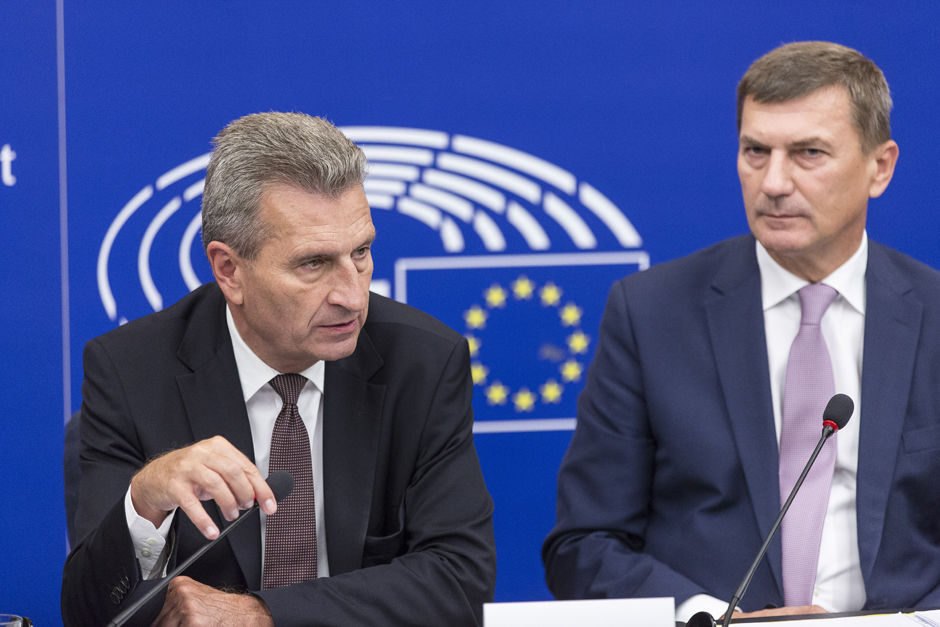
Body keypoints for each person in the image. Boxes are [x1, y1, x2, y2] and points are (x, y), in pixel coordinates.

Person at [543, 41, 940, 623]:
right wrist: (711, 617)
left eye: (808, 153)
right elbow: (584, 545)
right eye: (756, 151)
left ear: (880, 167)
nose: (774, 182)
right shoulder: (651, 312)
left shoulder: (933, 313)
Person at [61, 112, 496, 627]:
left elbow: (460, 580)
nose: (352, 296)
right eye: (313, 263)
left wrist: (264, 616)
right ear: (229, 270)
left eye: (361, 252)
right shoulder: (131, 372)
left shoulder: (422, 362)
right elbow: (88, 615)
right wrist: (144, 502)